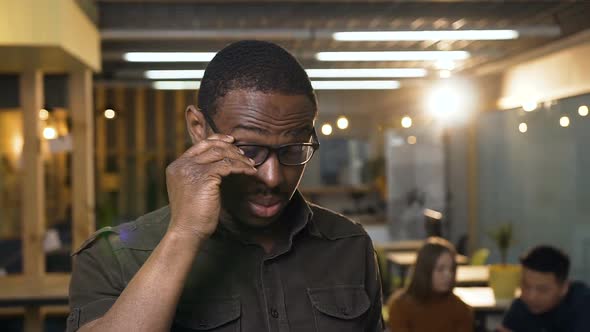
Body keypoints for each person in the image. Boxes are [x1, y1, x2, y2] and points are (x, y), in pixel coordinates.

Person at [66, 40, 384, 332]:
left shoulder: (349, 244)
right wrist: (185, 233)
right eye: (248, 150)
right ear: (199, 129)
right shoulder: (114, 257)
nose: (272, 177)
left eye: (292, 150)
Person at [387, 237, 473, 332]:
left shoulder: (460, 308)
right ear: (425, 270)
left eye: (451, 269)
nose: (448, 275)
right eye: (441, 269)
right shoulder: (400, 306)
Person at [498, 245, 590, 332]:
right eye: (525, 286)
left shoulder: (583, 304)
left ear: (564, 288)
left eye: (542, 290)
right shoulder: (520, 307)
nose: (531, 297)